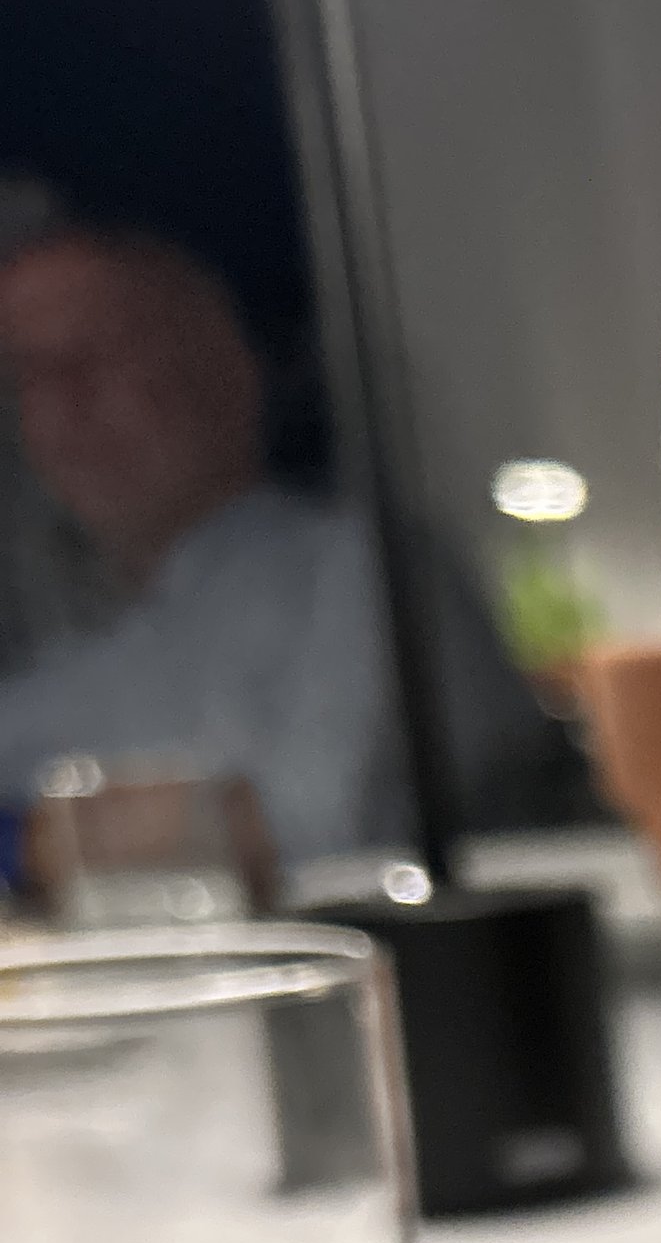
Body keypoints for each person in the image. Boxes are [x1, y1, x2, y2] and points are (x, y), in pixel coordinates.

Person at [0, 223, 575, 864]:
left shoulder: (367, 570)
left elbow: (329, 833)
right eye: (30, 374)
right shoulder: (85, 641)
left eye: (100, 354)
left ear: (228, 370)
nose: (63, 405)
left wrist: (36, 842)